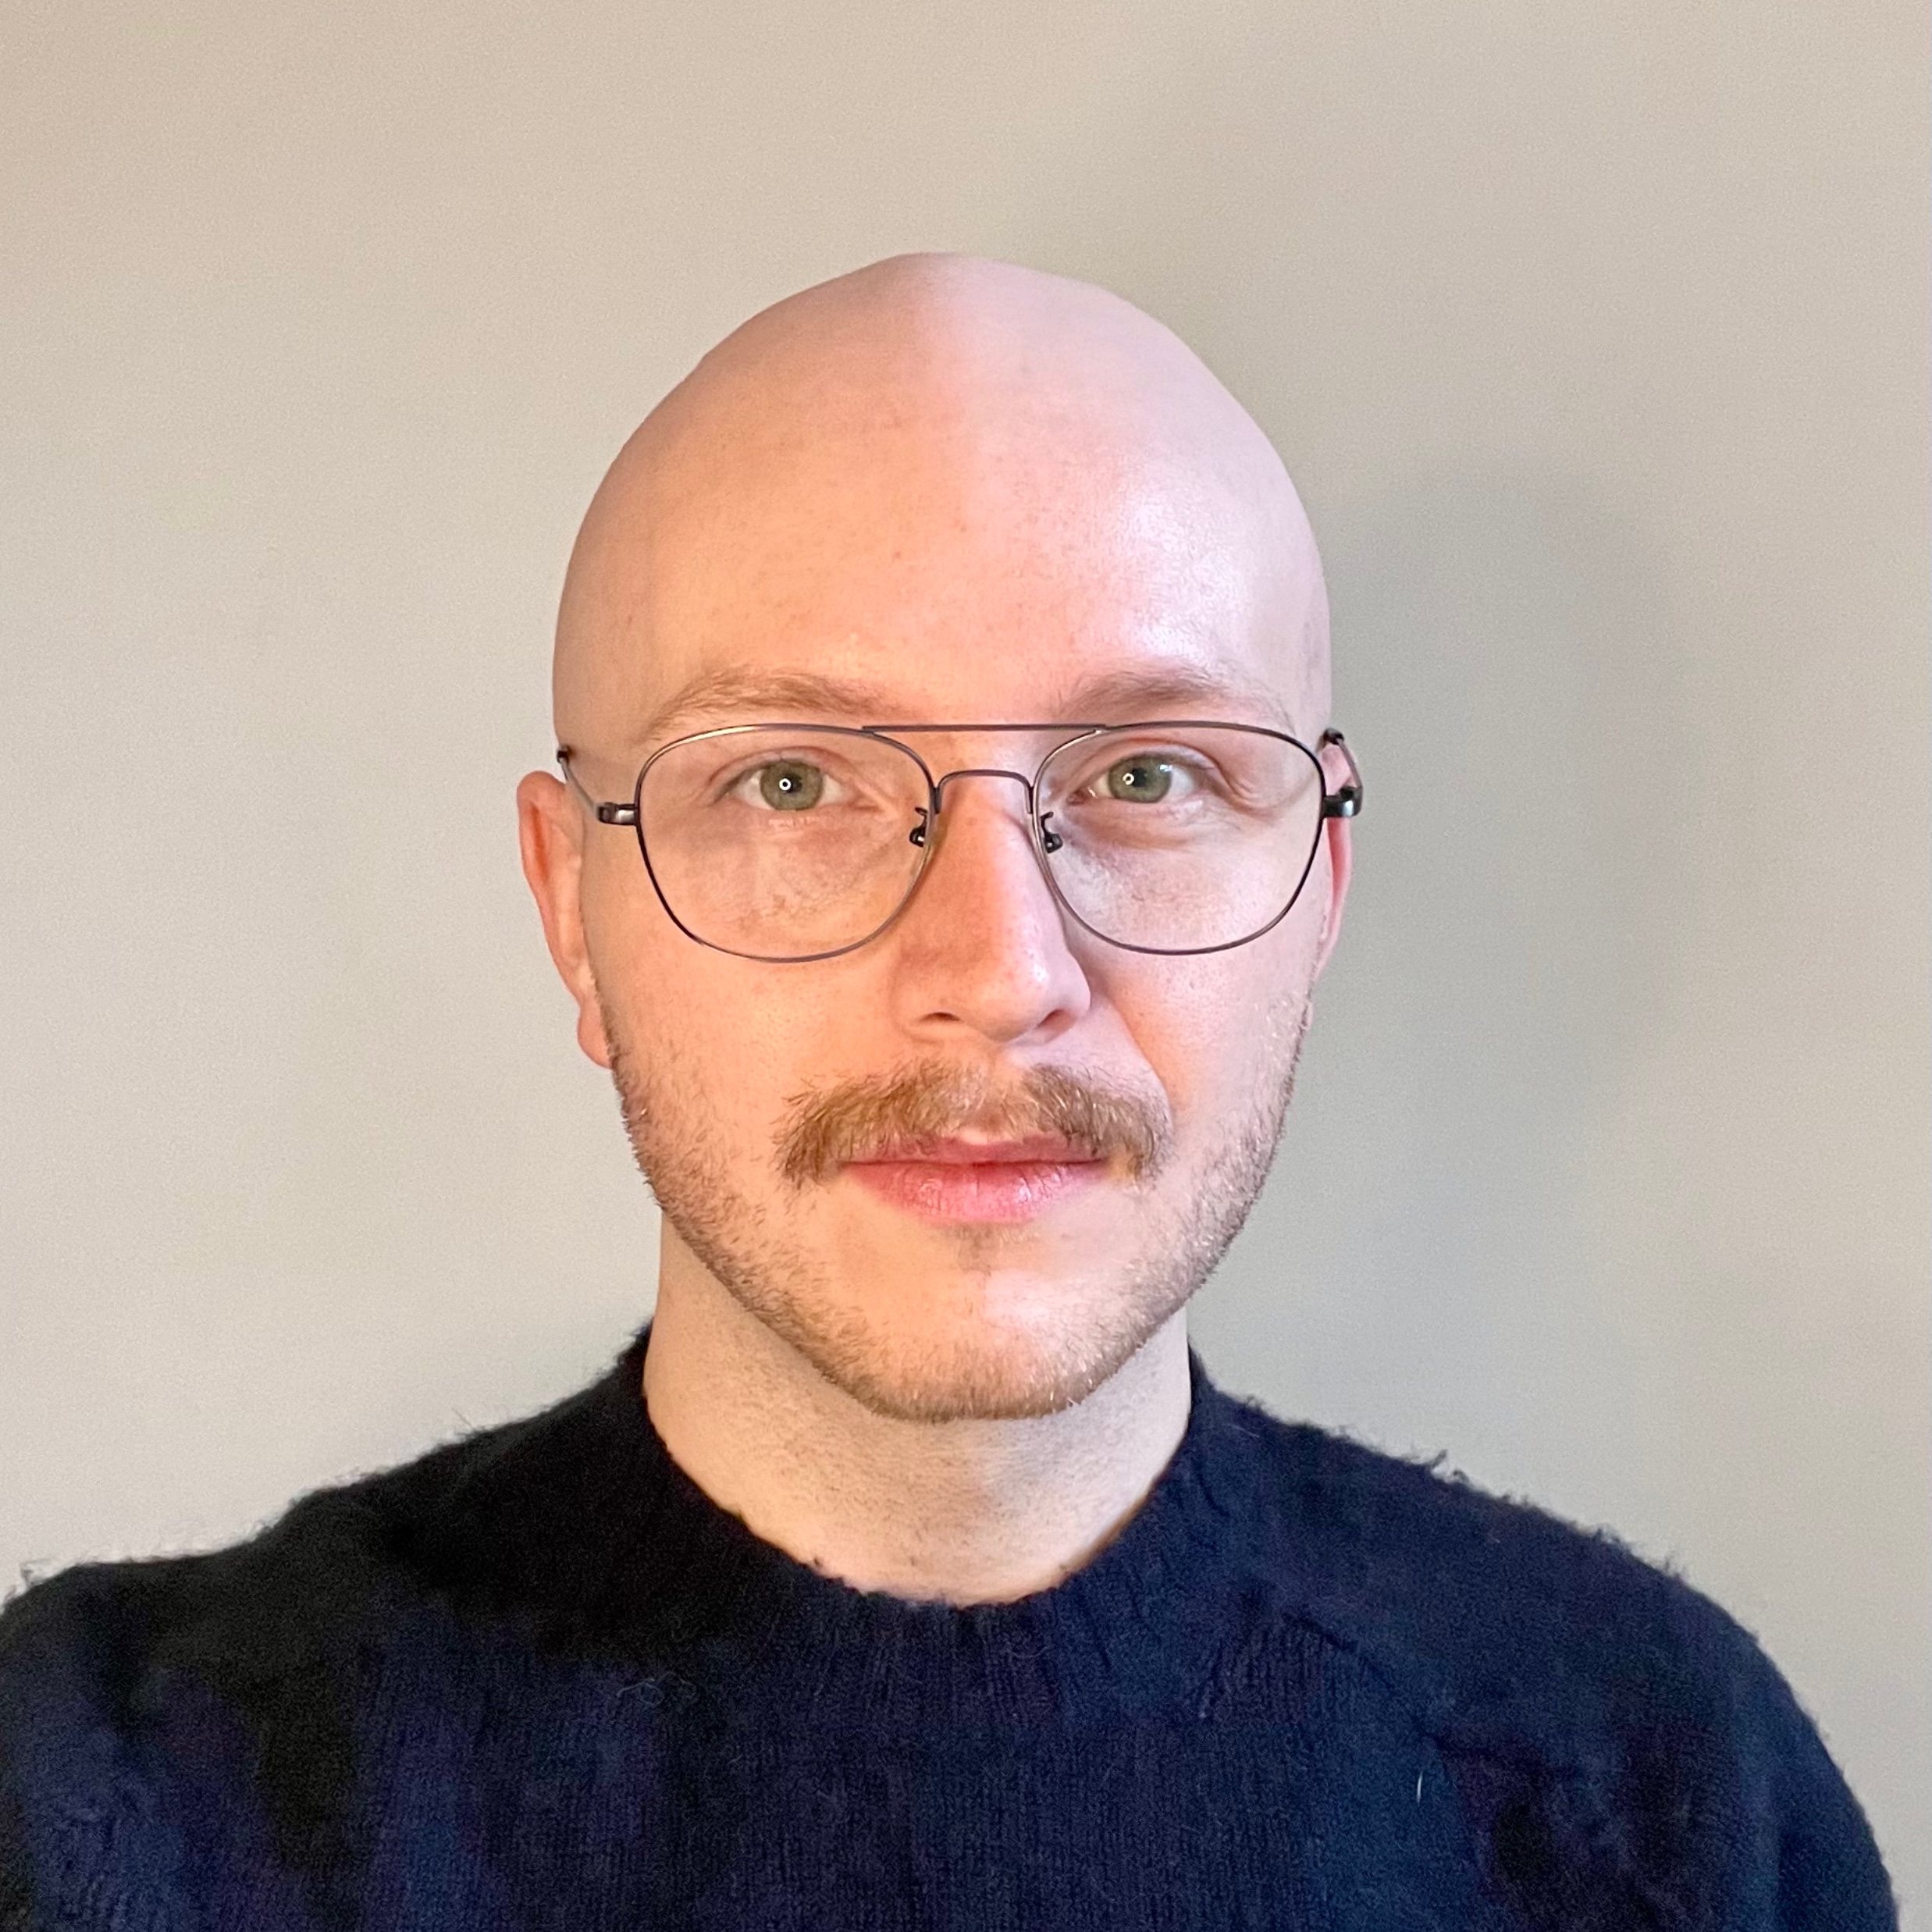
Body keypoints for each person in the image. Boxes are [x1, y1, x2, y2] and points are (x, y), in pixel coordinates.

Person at [0, 254, 1893, 1929]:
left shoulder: (1662, 1796)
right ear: (575, 909)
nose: (994, 972)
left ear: (1317, 887)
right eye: (794, 783)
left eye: (1148, 775)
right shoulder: (105, 1798)